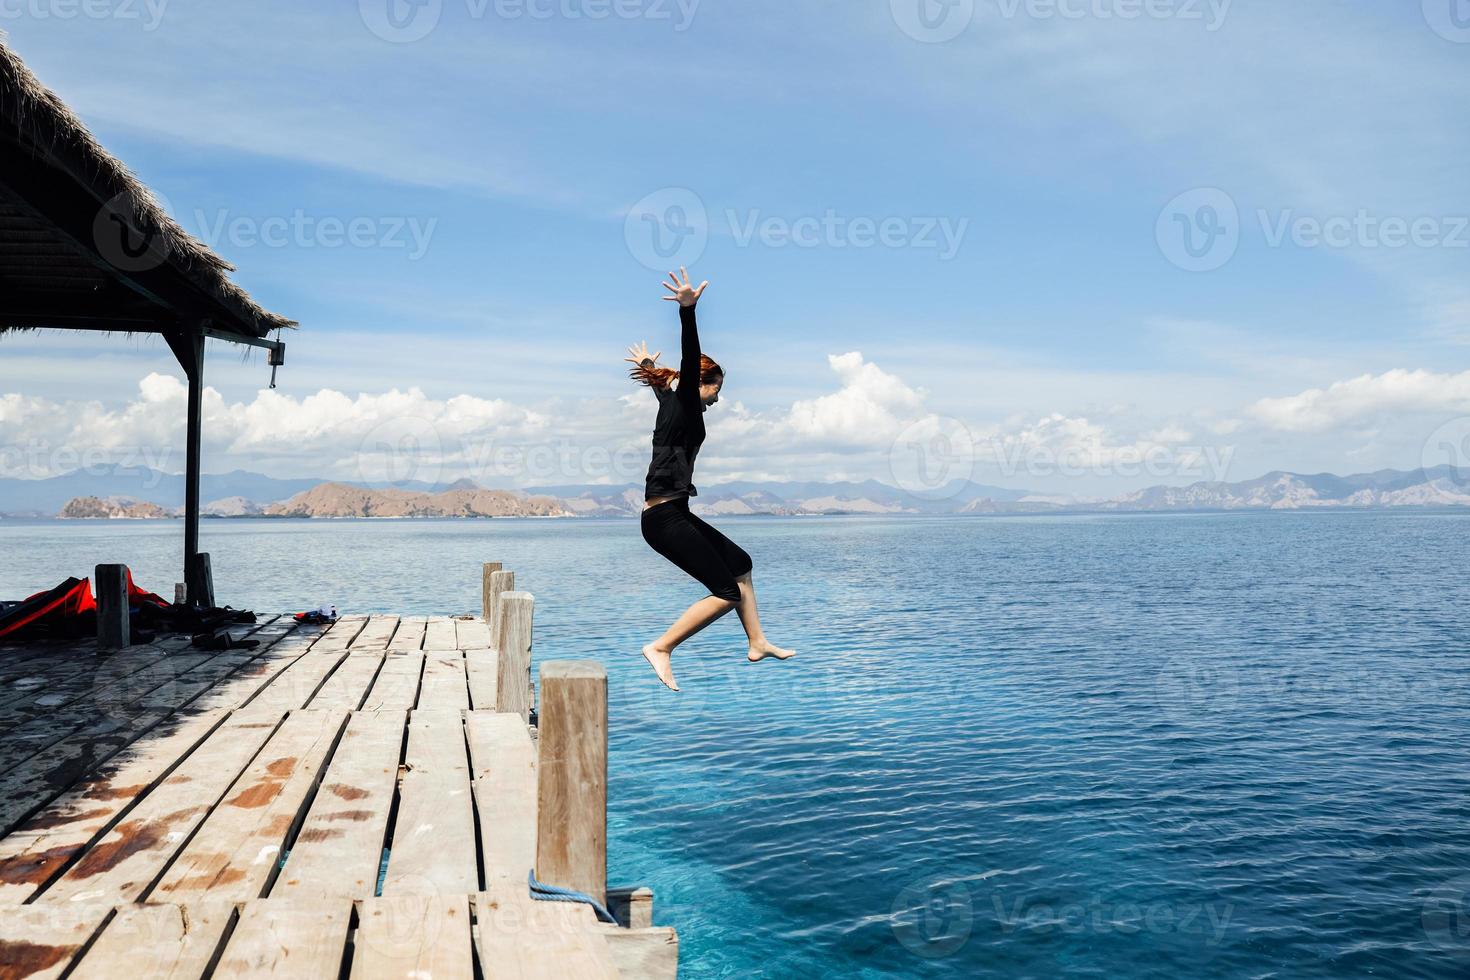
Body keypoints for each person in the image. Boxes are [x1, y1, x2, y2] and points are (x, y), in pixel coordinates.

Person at [624, 268, 795, 692]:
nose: (718, 398)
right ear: (700, 383)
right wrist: (688, 310)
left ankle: (756, 641)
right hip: (664, 519)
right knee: (725, 590)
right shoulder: (683, 400)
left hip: (674, 512)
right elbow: (687, 357)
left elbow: (664, 381)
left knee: (740, 566)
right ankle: (662, 647)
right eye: (715, 389)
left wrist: (647, 364)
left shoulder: (672, 399)